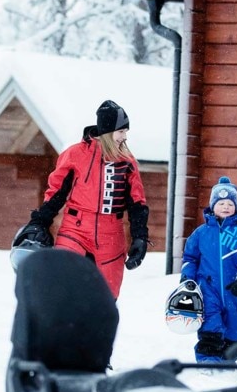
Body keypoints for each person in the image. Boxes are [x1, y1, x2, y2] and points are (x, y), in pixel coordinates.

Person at [25, 100, 150, 299]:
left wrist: (140, 237)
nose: (124, 137)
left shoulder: (127, 162)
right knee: (63, 292)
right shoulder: (75, 154)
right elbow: (56, 193)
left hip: (111, 236)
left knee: (105, 300)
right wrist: (39, 222)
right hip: (75, 229)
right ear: (108, 131)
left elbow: (137, 203)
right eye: (121, 131)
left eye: (126, 132)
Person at [179, 177, 237, 363]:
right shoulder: (201, 233)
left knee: (236, 326)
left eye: (230, 203)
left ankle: (228, 356)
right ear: (212, 206)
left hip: (234, 290)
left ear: (236, 207)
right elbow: (190, 259)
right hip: (207, 288)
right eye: (221, 203)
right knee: (210, 323)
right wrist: (187, 281)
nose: (225, 207)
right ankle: (208, 358)